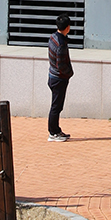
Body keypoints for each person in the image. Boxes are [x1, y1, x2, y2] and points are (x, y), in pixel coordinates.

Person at [47, 13, 73, 141]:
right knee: (56, 107)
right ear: (67, 27)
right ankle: (53, 133)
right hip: (59, 79)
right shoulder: (61, 43)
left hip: (53, 76)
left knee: (56, 106)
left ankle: (56, 130)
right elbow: (61, 64)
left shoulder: (53, 37)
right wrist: (69, 73)